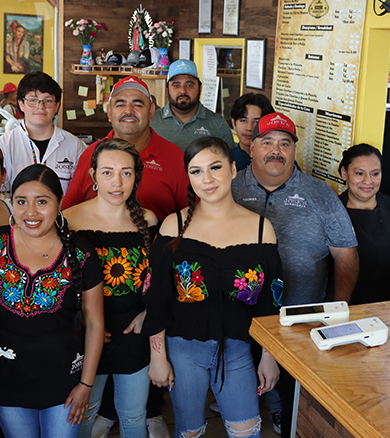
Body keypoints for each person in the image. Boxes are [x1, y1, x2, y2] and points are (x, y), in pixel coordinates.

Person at [145, 137, 283, 438]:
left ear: (233, 169)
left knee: (247, 432)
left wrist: (269, 356)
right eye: (196, 171)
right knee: (189, 432)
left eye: (215, 167)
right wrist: (157, 356)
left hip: (238, 349)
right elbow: (157, 299)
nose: (206, 179)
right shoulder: (173, 226)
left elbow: (270, 303)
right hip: (182, 349)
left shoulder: (261, 229)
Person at [230, 113, 358, 437]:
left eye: (285, 143)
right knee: (237, 394)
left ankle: (282, 413)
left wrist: (338, 311)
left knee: (294, 399)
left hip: (299, 320)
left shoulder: (320, 194)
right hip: (236, 316)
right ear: (251, 147)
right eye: (267, 142)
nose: (276, 150)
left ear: (294, 150)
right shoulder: (230, 188)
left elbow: (346, 254)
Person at [0, 164, 105, 437]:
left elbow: (95, 323)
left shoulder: (81, 253)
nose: (31, 212)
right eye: (21, 201)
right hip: (7, 375)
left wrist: (86, 385)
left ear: (59, 204)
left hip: (65, 378)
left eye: (42, 201)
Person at [63, 139, 159, 438]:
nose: (117, 182)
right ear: (92, 175)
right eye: (107, 172)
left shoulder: (148, 220)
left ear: (136, 177)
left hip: (133, 335)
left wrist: (147, 313)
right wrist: (82, 322)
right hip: (86, 336)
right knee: (84, 414)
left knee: (134, 414)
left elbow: (157, 278)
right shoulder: (70, 220)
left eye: (126, 173)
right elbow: (59, 282)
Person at [61, 76, 188, 221]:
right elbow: (68, 212)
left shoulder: (176, 158)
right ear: (109, 112)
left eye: (138, 105)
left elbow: (192, 216)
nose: (129, 111)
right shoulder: (91, 154)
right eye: (120, 104)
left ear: (151, 111)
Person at [338, 144, 390, 304]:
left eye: (375, 174)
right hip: (343, 306)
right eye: (359, 173)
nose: (368, 181)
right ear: (344, 173)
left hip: (387, 305)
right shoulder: (331, 211)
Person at [0, 71, 87, 195]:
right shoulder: (3, 146)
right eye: (33, 100)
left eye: (48, 101)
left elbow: (81, 193)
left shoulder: (76, 147)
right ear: (21, 104)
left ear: (57, 106)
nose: (40, 106)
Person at [150, 60, 236, 150]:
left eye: (189, 85)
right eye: (176, 86)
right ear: (167, 90)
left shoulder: (218, 124)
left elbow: (228, 158)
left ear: (200, 89)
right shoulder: (151, 122)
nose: (183, 91)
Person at [229, 93, 275, 171]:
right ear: (234, 123)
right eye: (243, 120)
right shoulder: (225, 159)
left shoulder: (278, 158)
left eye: (257, 122)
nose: (249, 128)